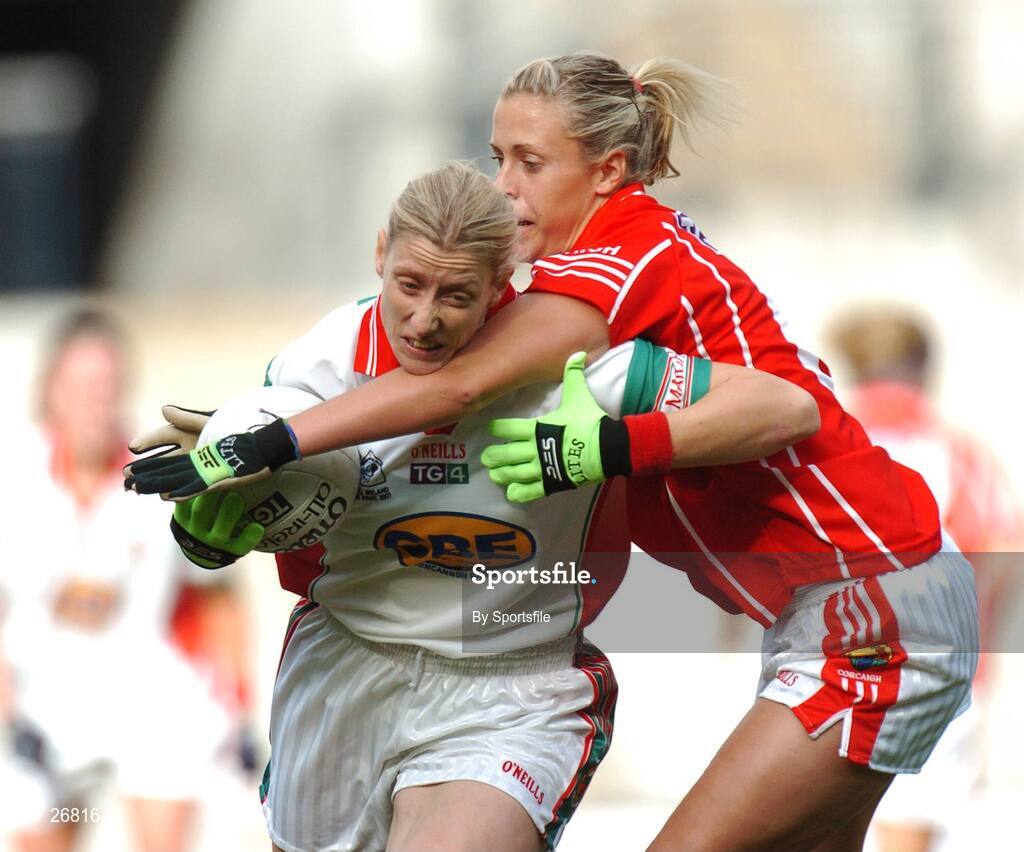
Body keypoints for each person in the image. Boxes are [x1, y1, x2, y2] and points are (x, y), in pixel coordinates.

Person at [126, 54, 978, 851]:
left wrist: (271, 441)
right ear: (381, 260)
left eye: (530, 162)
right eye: (499, 157)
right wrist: (240, 484)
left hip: (870, 606)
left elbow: (456, 387)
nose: (505, 187)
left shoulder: (617, 259)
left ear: (606, 170)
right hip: (846, 604)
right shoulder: (576, 269)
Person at [141, 160, 820, 852]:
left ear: (503, 284)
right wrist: (219, 531)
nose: (425, 319)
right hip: (346, 668)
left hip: (511, 684)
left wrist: (609, 446)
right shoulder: (321, 364)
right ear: (380, 254)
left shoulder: (574, 365)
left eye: (457, 295)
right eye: (408, 284)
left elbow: (786, 406)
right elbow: (280, 527)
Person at [0, 310, 244, 852]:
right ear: (50, 391)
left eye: (108, 386)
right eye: (83, 386)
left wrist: (238, 704)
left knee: (161, 836)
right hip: (47, 710)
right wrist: (9, 713)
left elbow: (217, 592)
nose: (97, 401)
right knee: (50, 827)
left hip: (147, 700)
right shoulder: (15, 480)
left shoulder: (160, 481)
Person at [829, 308, 1022, 852]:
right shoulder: (960, 455)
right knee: (907, 830)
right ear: (922, 366)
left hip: (831, 661)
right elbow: (1004, 556)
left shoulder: (824, 444)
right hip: (936, 662)